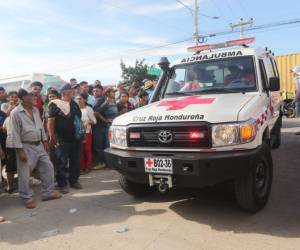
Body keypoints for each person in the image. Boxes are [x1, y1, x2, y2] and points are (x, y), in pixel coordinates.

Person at [8, 89, 61, 209]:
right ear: (23, 98)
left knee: (48, 167)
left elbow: (40, 127)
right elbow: (14, 133)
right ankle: (26, 198)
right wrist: (20, 150)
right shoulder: (16, 113)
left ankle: (48, 193)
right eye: (31, 95)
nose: (34, 97)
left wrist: (44, 141)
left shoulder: (35, 110)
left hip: (39, 145)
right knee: (24, 174)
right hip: (25, 146)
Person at [48, 84, 83, 194]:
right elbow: (50, 121)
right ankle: (62, 184)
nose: (73, 92)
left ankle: (74, 181)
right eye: (71, 90)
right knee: (61, 163)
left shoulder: (74, 104)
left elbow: (78, 119)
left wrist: (82, 134)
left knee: (75, 161)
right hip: (62, 139)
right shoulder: (56, 104)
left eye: (72, 91)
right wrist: (51, 136)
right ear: (64, 92)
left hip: (76, 139)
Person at [93, 88, 118, 168]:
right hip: (103, 126)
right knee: (103, 146)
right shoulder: (103, 101)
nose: (114, 93)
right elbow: (96, 112)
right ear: (107, 93)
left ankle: (109, 163)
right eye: (112, 92)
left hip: (111, 126)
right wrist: (105, 120)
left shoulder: (113, 101)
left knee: (109, 145)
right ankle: (104, 163)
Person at [2, 91, 19, 193]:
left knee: (23, 164)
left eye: (16, 97)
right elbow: (5, 116)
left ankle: (22, 184)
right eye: (12, 97)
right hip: (9, 141)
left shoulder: (22, 106)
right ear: (8, 98)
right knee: (10, 165)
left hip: (22, 141)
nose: (14, 98)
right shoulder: (5, 105)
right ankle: (10, 186)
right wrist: (11, 107)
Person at [76, 93, 96, 174]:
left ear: (85, 100)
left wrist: (88, 122)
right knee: (79, 151)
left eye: (80, 98)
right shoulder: (75, 109)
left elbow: (94, 121)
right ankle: (81, 167)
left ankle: (88, 167)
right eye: (77, 99)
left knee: (87, 150)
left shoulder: (88, 109)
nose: (78, 100)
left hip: (87, 133)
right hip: (77, 134)